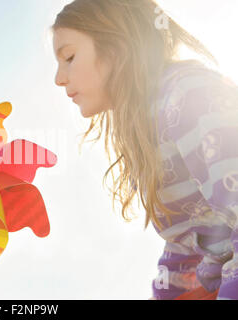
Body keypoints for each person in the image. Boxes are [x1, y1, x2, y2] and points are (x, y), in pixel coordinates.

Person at [51, 0, 238, 300]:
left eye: (69, 57)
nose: (59, 78)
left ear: (116, 45)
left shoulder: (190, 95)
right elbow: (183, 246)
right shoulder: (143, 132)